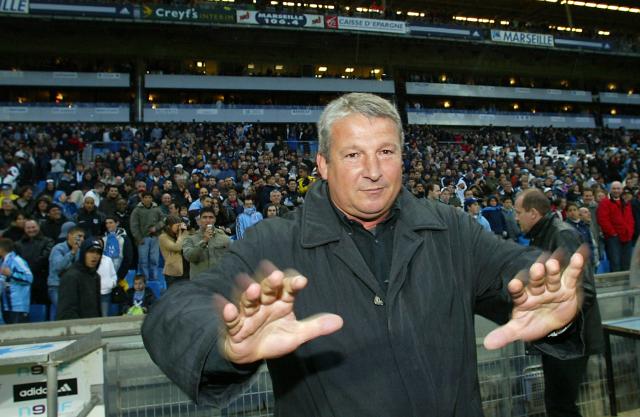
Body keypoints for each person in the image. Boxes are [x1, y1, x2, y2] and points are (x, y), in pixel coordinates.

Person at [142, 93, 587, 416]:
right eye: (353, 154)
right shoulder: (275, 243)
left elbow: (519, 274)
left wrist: (556, 308)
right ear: (323, 165)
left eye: (386, 152)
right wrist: (225, 343)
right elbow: (174, 312)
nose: (373, 171)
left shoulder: (450, 228)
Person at [514, 189, 603, 417]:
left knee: (561, 407)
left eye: (518, 212)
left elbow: (583, 290)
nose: (515, 217)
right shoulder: (543, 236)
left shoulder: (561, 235)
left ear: (533, 213)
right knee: (558, 405)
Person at [57, 238, 103, 320]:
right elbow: (66, 312)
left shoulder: (96, 277)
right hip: (76, 329)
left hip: (94, 327)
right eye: (91, 251)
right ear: (83, 253)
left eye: (98, 253)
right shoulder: (71, 277)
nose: (95, 256)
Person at [182, 207, 230, 280]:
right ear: (199, 220)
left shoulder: (224, 238)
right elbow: (190, 257)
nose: (208, 220)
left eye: (211, 217)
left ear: (215, 220)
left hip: (219, 281)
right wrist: (204, 241)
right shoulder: (190, 238)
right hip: (199, 282)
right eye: (204, 217)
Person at [597, 181, 635, 271]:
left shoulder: (626, 203)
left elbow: (631, 219)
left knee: (627, 263)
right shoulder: (605, 203)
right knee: (615, 263)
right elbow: (603, 220)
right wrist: (612, 233)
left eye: (618, 188)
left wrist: (630, 231)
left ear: (622, 190)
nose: (616, 191)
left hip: (627, 236)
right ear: (610, 190)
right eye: (614, 188)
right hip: (613, 238)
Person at [15, 220, 54, 307]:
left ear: (38, 227)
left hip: (43, 280)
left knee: (44, 306)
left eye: (33, 227)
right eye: (28, 228)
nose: (31, 230)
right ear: (24, 229)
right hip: (24, 281)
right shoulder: (18, 244)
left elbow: (45, 257)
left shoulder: (48, 241)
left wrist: (29, 268)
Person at [130, 192, 165, 282]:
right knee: (143, 260)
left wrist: (156, 227)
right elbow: (134, 226)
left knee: (154, 259)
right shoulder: (137, 210)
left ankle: (155, 277)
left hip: (155, 237)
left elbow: (163, 220)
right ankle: (145, 279)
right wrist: (138, 238)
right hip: (143, 238)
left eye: (150, 197)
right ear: (142, 199)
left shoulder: (156, 209)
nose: (148, 199)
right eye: (146, 197)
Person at [0, 238, 33, 324]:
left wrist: (11, 274)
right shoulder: (3, 262)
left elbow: (29, 278)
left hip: (18, 305)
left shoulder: (17, 260)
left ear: (1, 249)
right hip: (6, 305)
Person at [159, 215, 188, 287]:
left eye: (180, 225)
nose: (179, 227)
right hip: (172, 272)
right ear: (169, 226)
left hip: (185, 270)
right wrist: (182, 234)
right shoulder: (163, 237)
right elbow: (177, 247)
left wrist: (185, 231)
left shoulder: (179, 235)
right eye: (177, 225)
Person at [101, 216, 133, 282]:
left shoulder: (124, 238)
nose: (108, 225)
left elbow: (128, 257)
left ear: (117, 223)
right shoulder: (104, 238)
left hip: (120, 274)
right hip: (106, 274)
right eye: (106, 223)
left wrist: (120, 276)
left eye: (110, 223)